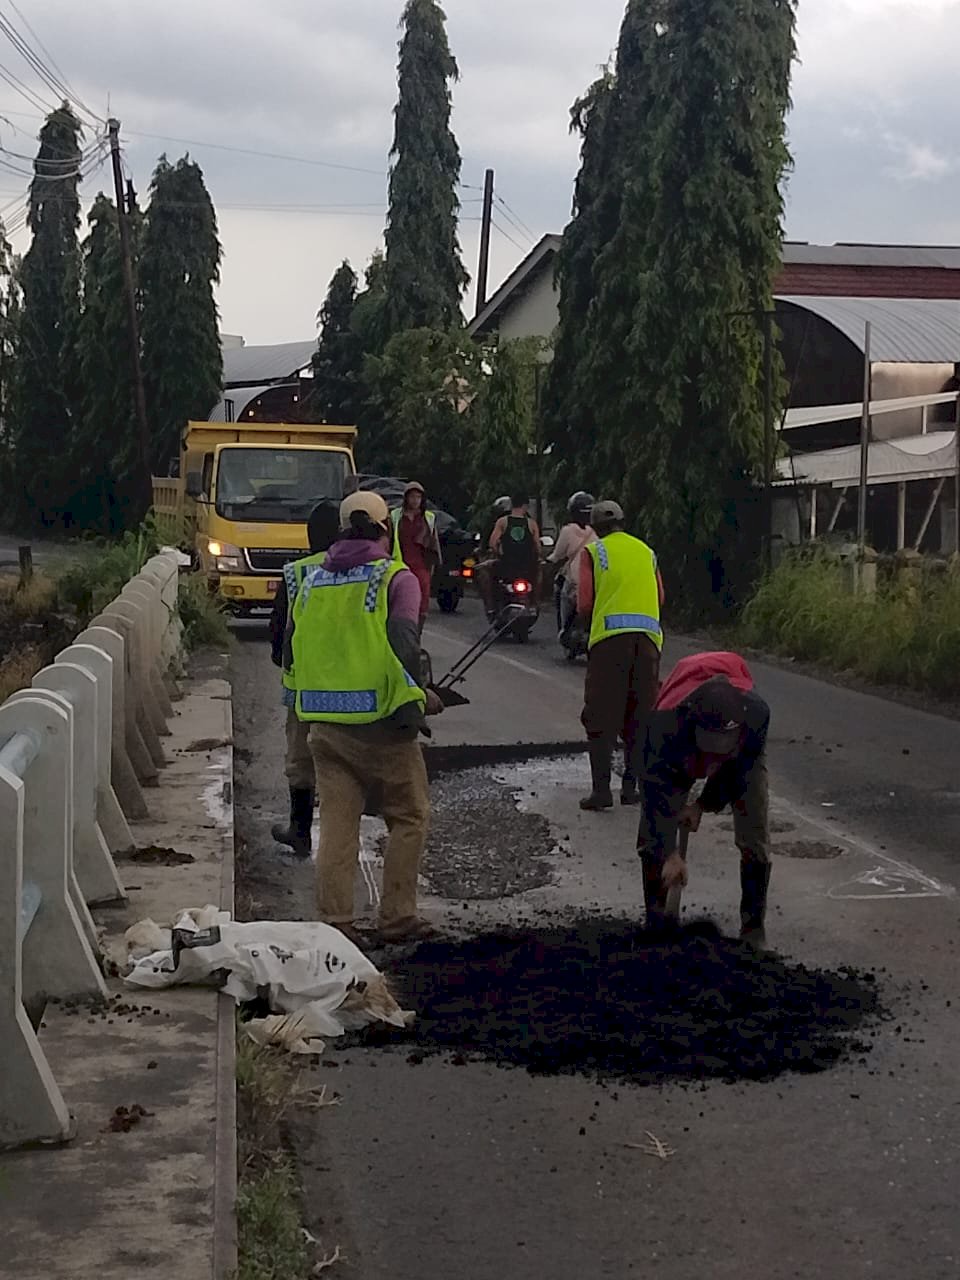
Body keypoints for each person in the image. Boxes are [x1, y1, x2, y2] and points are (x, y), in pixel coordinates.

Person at [288, 490, 443, 942]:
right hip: (381, 725)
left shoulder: (311, 579)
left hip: (323, 725)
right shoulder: (396, 579)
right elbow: (404, 644)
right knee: (409, 815)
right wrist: (421, 696)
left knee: (338, 825)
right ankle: (396, 917)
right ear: (384, 529)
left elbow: (294, 645)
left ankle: (336, 922)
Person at [635, 652, 772, 945]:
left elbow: (738, 772)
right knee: (652, 838)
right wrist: (669, 853)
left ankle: (753, 928)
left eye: (720, 752)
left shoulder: (755, 718)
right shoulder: (663, 728)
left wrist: (702, 804)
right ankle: (657, 920)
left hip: (739, 747)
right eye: (708, 749)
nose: (712, 762)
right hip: (678, 739)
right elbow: (655, 791)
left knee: (754, 829)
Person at [577, 499, 664, 811]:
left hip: (610, 644)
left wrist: (591, 623)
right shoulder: (647, 552)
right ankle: (631, 788)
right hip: (648, 644)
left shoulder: (593, 552)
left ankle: (601, 791)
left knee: (600, 714)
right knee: (640, 715)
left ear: (595, 527)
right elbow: (661, 596)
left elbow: (585, 604)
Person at [269, 500, 341, 857]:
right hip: (349, 689)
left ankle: (300, 831)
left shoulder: (296, 573)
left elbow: (278, 634)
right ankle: (338, 834)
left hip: (303, 692)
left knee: (301, 762)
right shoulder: (361, 571)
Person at [478, 492, 541, 621]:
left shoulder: (502, 521)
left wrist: (498, 554)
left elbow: (492, 543)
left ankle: (491, 607)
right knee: (539, 575)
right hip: (527, 567)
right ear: (526, 506)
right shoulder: (532, 523)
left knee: (485, 574)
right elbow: (538, 547)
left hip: (506, 565)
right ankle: (535, 602)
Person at [390, 481, 441, 630]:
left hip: (421, 566)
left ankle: (416, 635)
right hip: (401, 564)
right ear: (406, 498)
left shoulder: (428, 517)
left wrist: (433, 566)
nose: (415, 500)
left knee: (422, 603)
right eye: (412, 497)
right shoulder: (395, 516)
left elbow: (433, 543)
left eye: (418, 497)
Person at [548, 490, 596, 637]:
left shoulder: (567, 531)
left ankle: (563, 628)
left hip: (574, 582)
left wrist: (547, 561)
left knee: (561, 592)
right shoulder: (598, 532)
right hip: (595, 581)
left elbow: (557, 555)